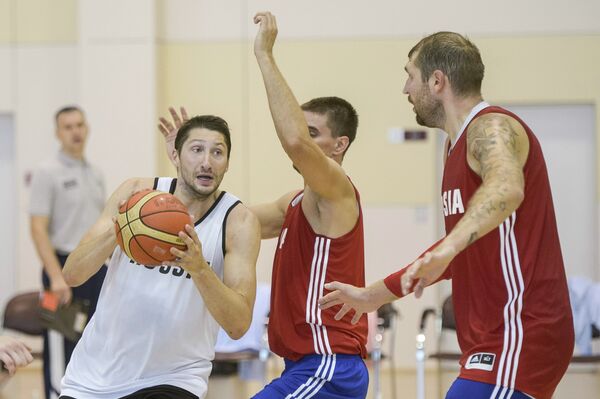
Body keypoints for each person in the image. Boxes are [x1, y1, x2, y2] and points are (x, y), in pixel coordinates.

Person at [319, 31, 574, 399]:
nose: (405, 89)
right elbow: (458, 247)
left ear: (437, 81)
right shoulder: (452, 146)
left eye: (410, 75)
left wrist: (448, 248)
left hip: (522, 329)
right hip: (491, 337)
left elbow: (506, 188)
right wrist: (374, 296)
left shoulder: (492, 127)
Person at [158, 12, 369, 399]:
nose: (303, 140)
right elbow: (221, 219)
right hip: (305, 365)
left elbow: (293, 142)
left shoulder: (337, 190)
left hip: (328, 365)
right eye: (303, 130)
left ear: (339, 145)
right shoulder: (294, 202)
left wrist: (265, 56)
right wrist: (186, 165)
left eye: (313, 133)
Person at [58, 115, 260, 399]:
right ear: (175, 155)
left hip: (174, 379)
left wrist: (199, 269)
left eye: (217, 152)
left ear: (227, 163)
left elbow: (238, 325)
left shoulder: (238, 221)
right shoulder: (136, 192)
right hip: (94, 376)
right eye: (197, 149)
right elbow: (72, 274)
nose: (207, 161)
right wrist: (119, 229)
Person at [29, 106, 106, 399]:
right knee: (59, 343)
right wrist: (55, 277)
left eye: (79, 125)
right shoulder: (47, 172)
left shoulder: (95, 172)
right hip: (60, 269)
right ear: (57, 133)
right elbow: (37, 228)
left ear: (87, 128)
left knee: (93, 339)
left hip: (96, 267)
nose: (75, 131)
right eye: (68, 126)